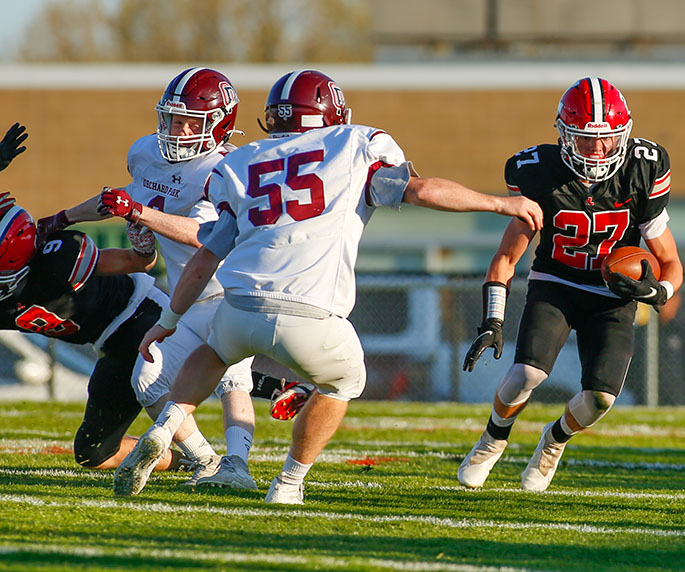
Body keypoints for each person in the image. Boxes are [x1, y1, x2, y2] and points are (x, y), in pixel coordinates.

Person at [115, 69, 543, 504]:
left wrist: (169, 319)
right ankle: (287, 484)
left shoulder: (241, 162)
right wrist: (498, 203)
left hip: (240, 303)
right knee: (343, 380)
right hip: (310, 311)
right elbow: (420, 190)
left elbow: (206, 253)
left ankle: (166, 426)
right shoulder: (352, 145)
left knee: (213, 353)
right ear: (333, 115)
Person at [38, 68, 301, 492]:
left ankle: (238, 463)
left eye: (190, 123)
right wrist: (61, 218)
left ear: (219, 124)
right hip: (187, 297)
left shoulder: (226, 169)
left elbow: (202, 235)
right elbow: (117, 198)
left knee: (233, 377)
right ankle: (206, 460)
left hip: (235, 291)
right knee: (147, 378)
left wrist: (140, 214)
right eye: (172, 119)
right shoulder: (146, 154)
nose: (177, 130)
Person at [457, 77, 684, 492]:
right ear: (563, 136)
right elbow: (507, 258)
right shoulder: (539, 174)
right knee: (526, 373)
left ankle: (553, 441)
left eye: (607, 141)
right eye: (584, 141)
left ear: (624, 135)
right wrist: (493, 320)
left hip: (613, 295)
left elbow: (670, 262)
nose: (597, 152)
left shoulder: (643, 169)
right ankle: (493, 438)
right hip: (556, 281)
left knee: (601, 398)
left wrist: (659, 293)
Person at [1, 193, 190, 473]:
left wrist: (144, 247)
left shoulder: (58, 260)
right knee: (95, 453)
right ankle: (184, 463)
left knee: (197, 373)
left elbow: (137, 263)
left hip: (141, 314)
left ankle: (210, 455)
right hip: (112, 346)